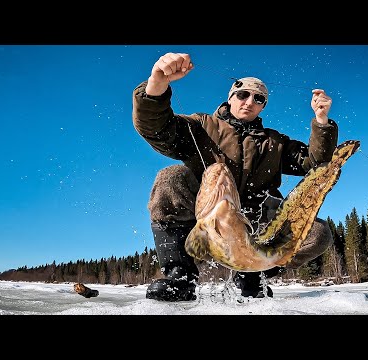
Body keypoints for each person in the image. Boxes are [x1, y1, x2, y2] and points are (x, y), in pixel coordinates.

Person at [132, 52, 339, 302]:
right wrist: (156, 84)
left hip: (258, 225)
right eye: (243, 94)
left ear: (263, 106)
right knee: (170, 178)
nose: (249, 101)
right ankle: (180, 277)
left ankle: (254, 273)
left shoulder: (275, 142)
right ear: (231, 97)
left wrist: (321, 121)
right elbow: (158, 129)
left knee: (318, 233)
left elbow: (315, 164)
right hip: (207, 223)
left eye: (258, 98)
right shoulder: (202, 125)